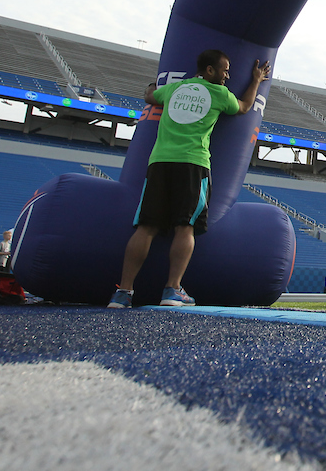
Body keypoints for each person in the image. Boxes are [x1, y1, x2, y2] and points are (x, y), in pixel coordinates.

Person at [108, 49, 270, 308]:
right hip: (193, 164)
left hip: (160, 162)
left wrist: (152, 83)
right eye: (224, 69)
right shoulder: (218, 94)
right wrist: (256, 80)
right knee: (186, 227)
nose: (228, 75)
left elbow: (150, 95)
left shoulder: (175, 89)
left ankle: (123, 292)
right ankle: (171, 290)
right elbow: (245, 106)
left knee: (146, 227)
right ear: (209, 70)